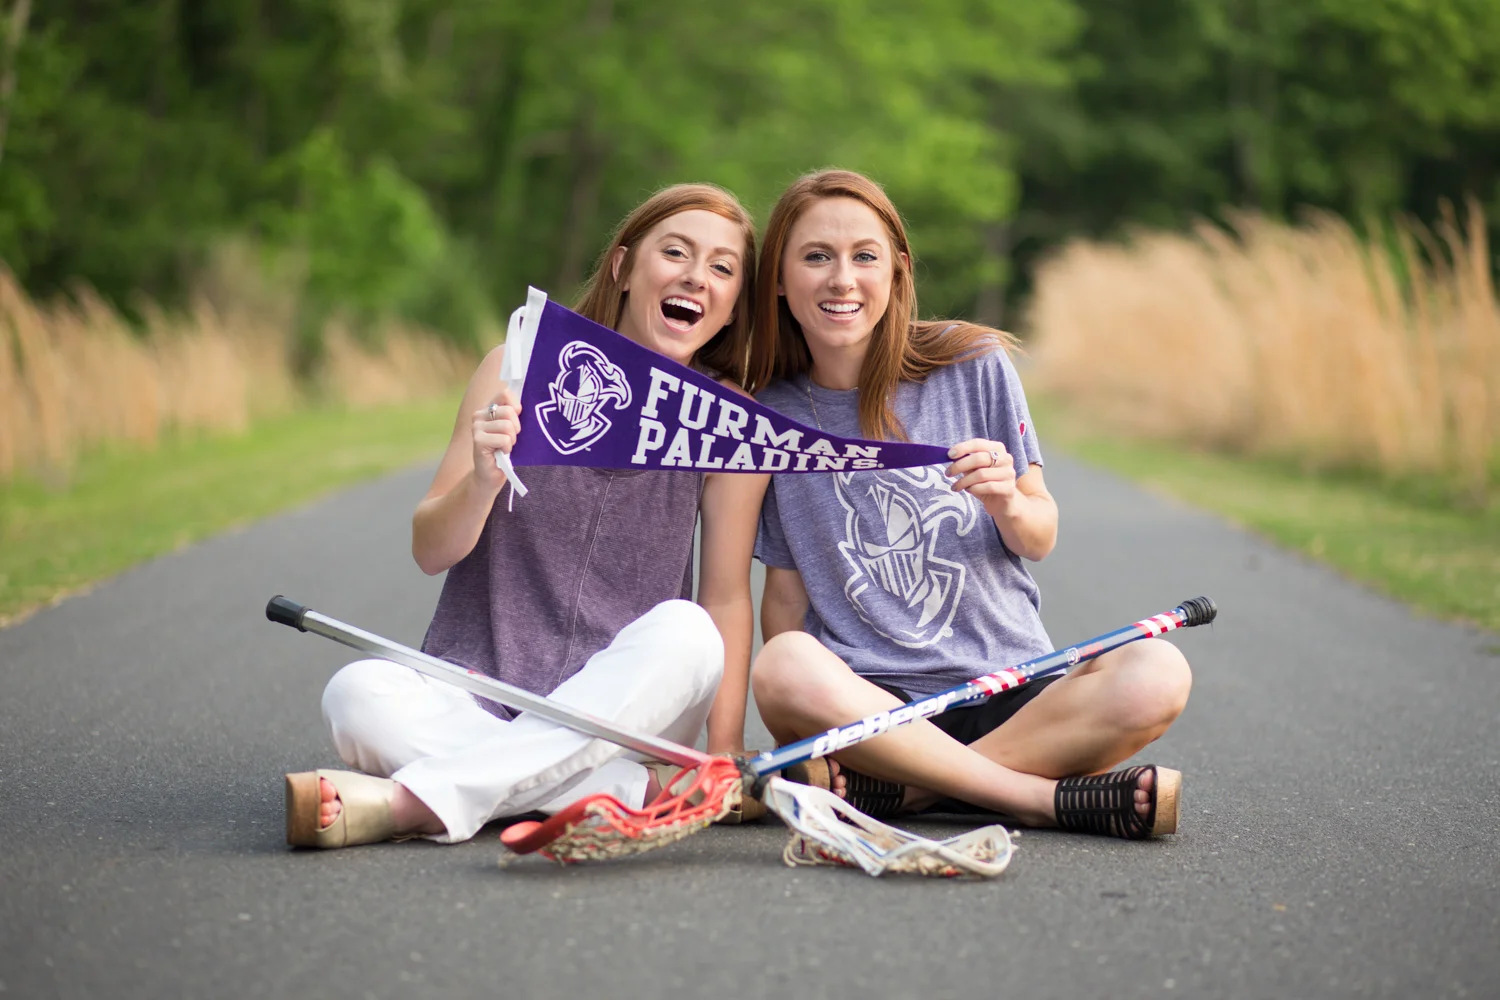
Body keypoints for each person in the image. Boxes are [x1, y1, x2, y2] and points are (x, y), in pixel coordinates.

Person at [284, 183, 775, 848]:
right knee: (355, 694)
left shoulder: (728, 423)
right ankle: (625, 794)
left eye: (721, 268)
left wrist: (721, 753)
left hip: (627, 714)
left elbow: (722, 600)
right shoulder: (514, 369)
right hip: (476, 688)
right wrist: (483, 481)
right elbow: (431, 549)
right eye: (677, 252)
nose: (695, 276)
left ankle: (407, 805)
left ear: (731, 308)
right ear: (624, 268)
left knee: (688, 631)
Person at [744, 170, 1193, 840]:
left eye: (864, 256)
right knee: (782, 663)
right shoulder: (771, 414)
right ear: (779, 278)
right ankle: (1030, 798)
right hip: (872, 706)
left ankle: (905, 796)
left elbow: (1039, 534)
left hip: (1010, 689)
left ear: (897, 271)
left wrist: (1009, 500)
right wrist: (797, 720)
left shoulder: (972, 361)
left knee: (1159, 669)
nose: (842, 279)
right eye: (816, 256)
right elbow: (784, 595)